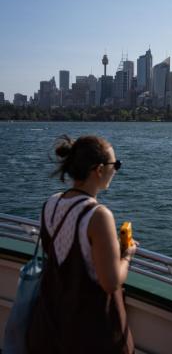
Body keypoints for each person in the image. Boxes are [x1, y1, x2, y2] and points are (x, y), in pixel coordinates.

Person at [26, 135, 136, 354]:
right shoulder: (98, 215)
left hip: (51, 326)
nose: (116, 170)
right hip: (89, 335)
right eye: (116, 165)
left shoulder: (51, 203)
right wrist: (127, 255)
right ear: (99, 170)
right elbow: (111, 283)